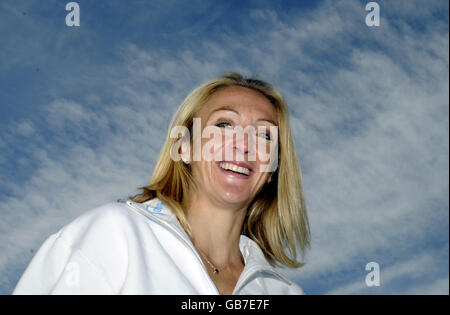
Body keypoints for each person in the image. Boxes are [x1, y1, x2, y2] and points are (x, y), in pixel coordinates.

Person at [13, 72, 310, 295]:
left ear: (272, 167)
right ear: (184, 147)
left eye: (264, 135)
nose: (244, 145)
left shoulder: (284, 292)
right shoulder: (114, 235)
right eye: (224, 125)